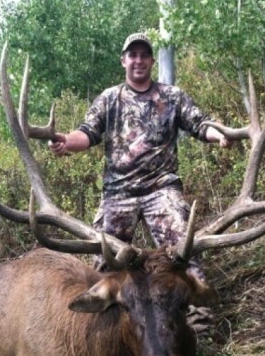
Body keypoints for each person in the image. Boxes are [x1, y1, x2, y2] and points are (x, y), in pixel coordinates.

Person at [49, 33, 233, 261]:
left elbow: (200, 124)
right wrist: (65, 141)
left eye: (144, 55)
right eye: (133, 55)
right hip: (118, 191)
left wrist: (220, 135)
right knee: (103, 263)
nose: (139, 60)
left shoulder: (172, 96)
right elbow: (87, 133)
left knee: (185, 257)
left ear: (152, 62)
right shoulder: (109, 98)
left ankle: (193, 294)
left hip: (161, 189)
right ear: (123, 60)